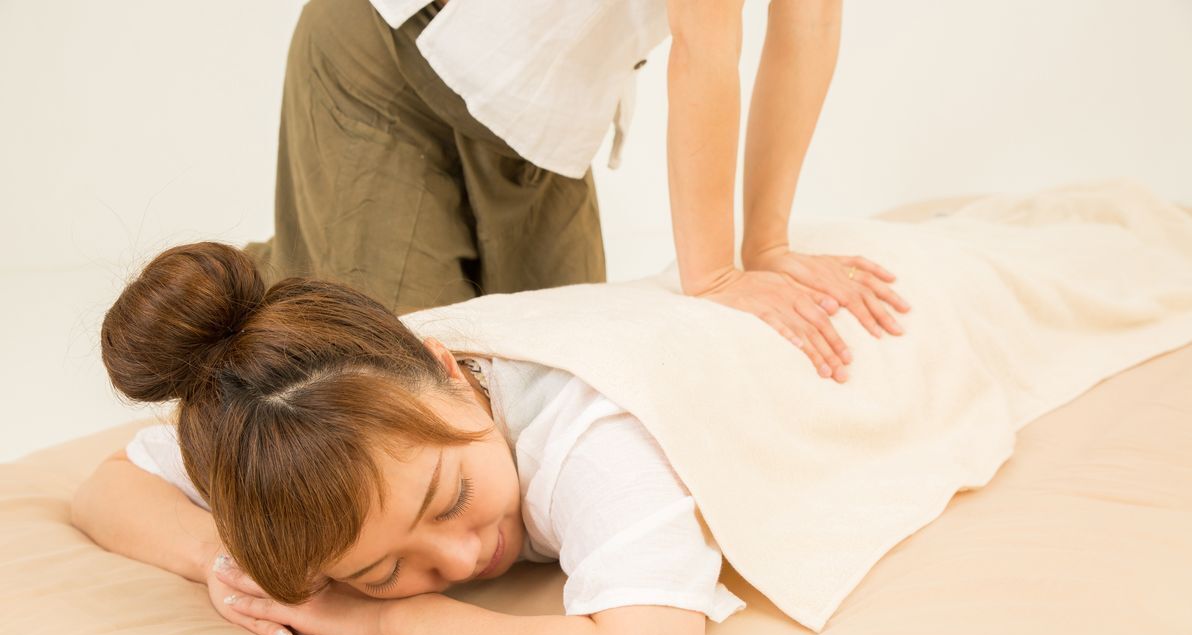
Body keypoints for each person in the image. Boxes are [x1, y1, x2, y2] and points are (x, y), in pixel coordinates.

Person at [73, 242, 747, 635]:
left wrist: (383, 619)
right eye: (383, 573)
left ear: (449, 371)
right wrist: (229, 563)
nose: (460, 561)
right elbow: (106, 487)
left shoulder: (594, 437)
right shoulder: (282, 423)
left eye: (451, 498)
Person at [247, 0, 909, 383]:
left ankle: (311, 242)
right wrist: (715, 279)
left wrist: (769, 244)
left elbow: (811, 26)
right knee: (396, 393)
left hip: (536, 124)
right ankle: (265, 274)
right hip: (390, 63)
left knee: (554, 390)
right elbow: (706, 49)